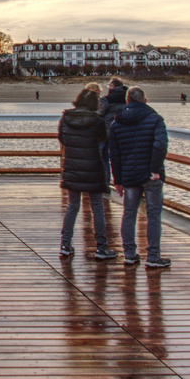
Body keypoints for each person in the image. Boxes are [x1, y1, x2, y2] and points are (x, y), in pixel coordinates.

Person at [109, 86, 170, 268]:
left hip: (129, 175)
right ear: (144, 101)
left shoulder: (116, 123)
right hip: (151, 176)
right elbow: (160, 145)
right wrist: (155, 169)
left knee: (129, 213)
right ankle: (153, 256)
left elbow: (115, 155)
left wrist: (118, 180)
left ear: (127, 100)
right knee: (153, 215)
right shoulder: (155, 119)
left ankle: (129, 254)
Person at [57, 88, 114, 260]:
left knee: (72, 206)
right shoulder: (97, 120)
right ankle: (101, 247)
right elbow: (103, 139)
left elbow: (62, 138)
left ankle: (65, 244)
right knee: (97, 207)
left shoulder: (66, 118)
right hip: (93, 167)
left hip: (72, 167)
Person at [98, 77, 127, 183]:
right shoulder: (126, 99)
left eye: (109, 85)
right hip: (120, 131)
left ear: (113, 86)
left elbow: (100, 112)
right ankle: (114, 182)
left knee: (100, 155)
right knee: (114, 158)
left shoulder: (107, 99)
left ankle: (101, 182)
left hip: (104, 131)